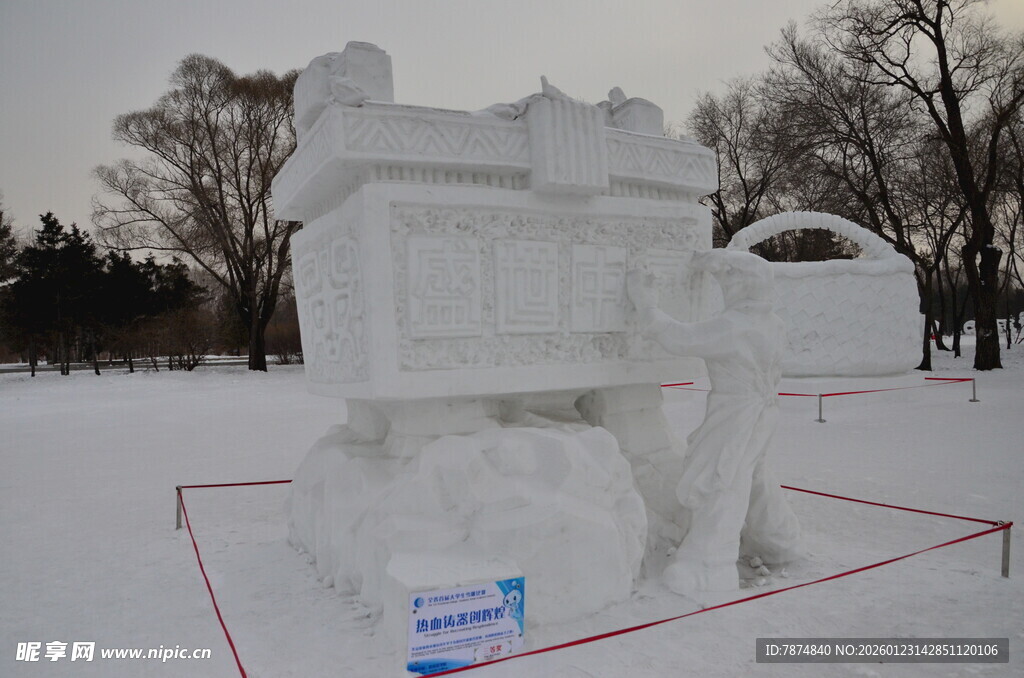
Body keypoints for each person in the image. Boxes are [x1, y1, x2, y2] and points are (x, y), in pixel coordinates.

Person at [627, 250, 803, 593]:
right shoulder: (772, 323)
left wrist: (646, 304)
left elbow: (679, 338)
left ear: (741, 285)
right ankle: (780, 540)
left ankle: (708, 564)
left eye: (727, 281)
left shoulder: (735, 325)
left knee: (722, 481)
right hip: (763, 411)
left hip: (736, 413)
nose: (724, 289)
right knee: (752, 475)